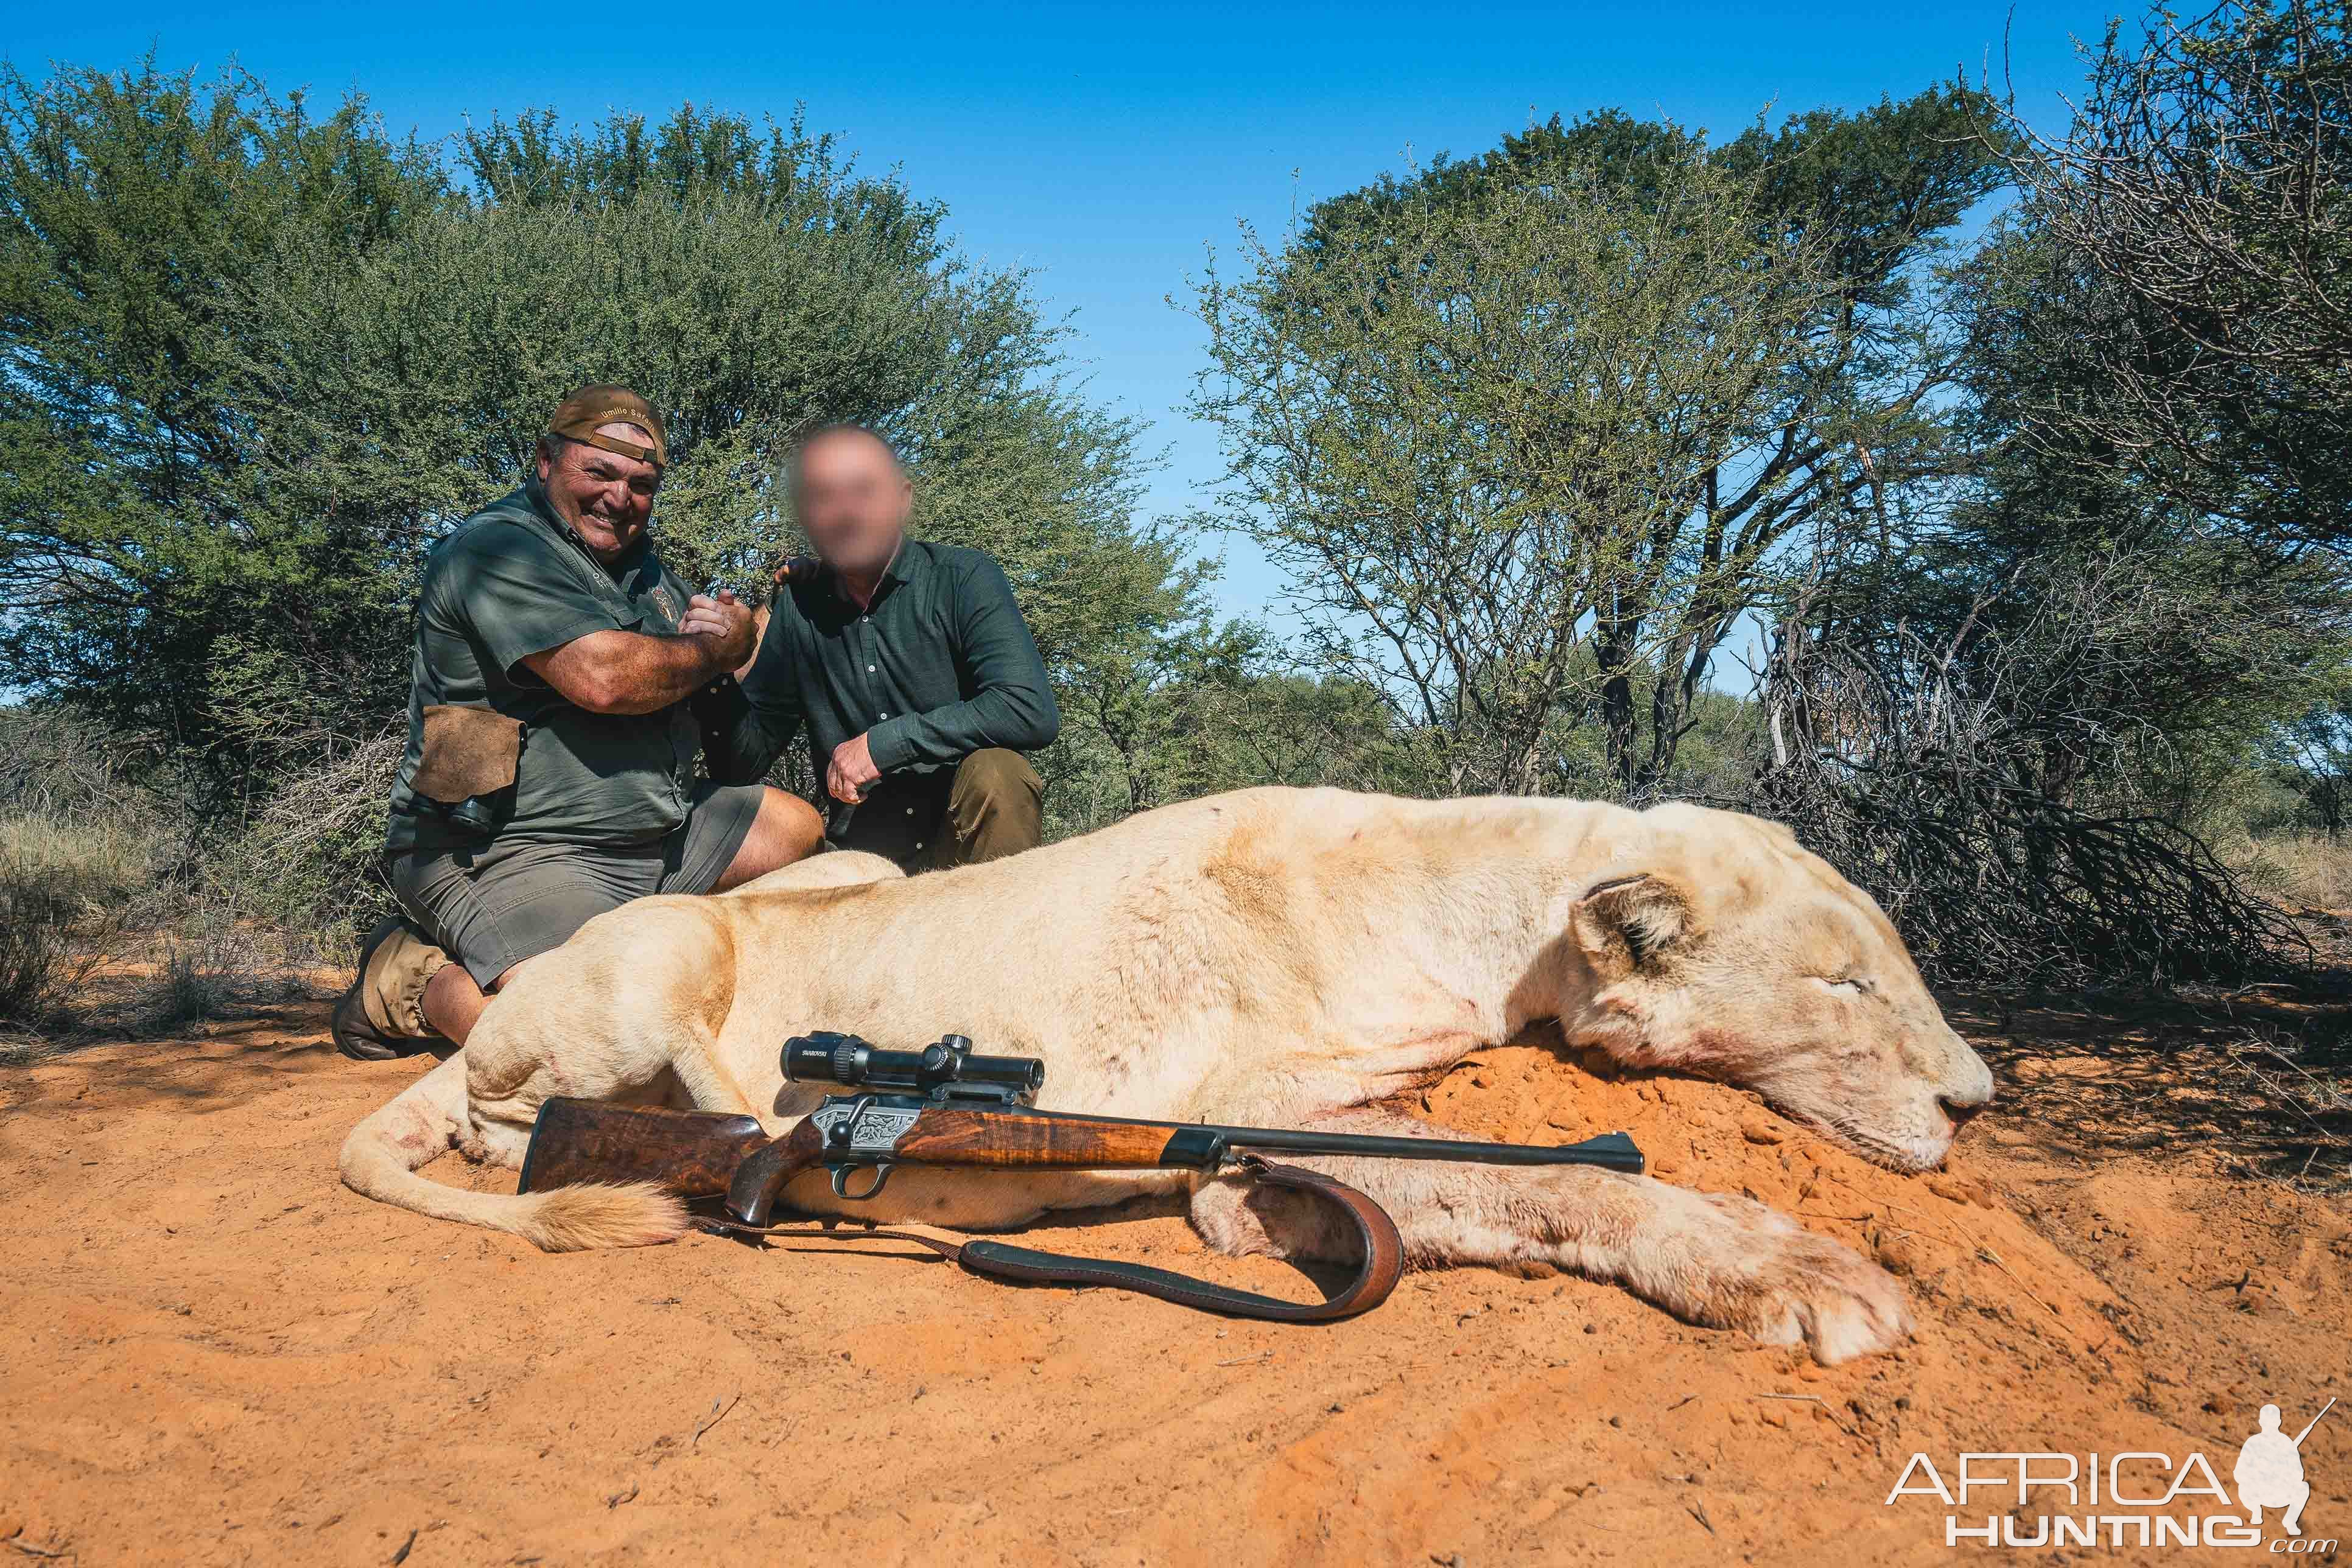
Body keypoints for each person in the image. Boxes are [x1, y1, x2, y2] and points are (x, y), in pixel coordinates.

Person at [332, 386, 825, 1060]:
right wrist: (720, 649)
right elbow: (605, 678)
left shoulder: (648, 572)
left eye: (641, 483)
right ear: (545, 461)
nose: (619, 497)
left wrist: (764, 639)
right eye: (599, 472)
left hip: (653, 835)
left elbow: (731, 743)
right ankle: (404, 979)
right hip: (506, 847)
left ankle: (653, 955)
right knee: (573, 1044)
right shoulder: (494, 550)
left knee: (794, 828)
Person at [701, 424, 1059, 870]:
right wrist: (712, 666)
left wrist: (884, 744)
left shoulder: (963, 577)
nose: (846, 513)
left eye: (864, 491)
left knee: (999, 774)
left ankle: (1000, 936)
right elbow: (741, 766)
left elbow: (1028, 708)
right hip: (860, 863)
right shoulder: (798, 604)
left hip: (965, 861)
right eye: (823, 497)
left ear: (902, 500)